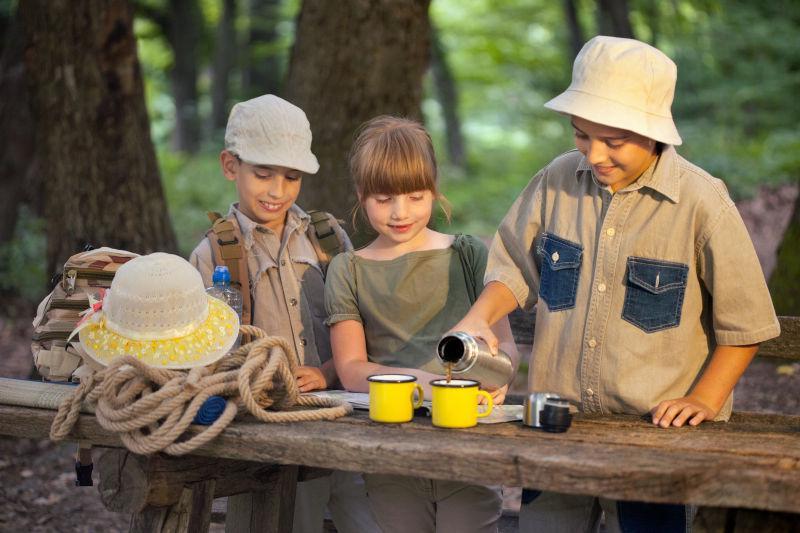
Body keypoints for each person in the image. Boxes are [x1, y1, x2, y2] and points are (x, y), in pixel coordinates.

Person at [452, 35, 781, 533]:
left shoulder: (702, 203)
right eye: (582, 135)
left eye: (614, 141)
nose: (594, 155)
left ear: (654, 133)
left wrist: (706, 400)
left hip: (650, 439)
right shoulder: (555, 180)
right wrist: (480, 316)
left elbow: (748, 322)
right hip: (555, 424)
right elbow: (514, 267)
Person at [189, 94, 378, 533]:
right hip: (268, 428)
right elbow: (206, 352)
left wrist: (330, 370)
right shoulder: (213, 253)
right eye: (263, 173)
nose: (277, 190)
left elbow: (363, 320)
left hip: (343, 413)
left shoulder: (326, 239)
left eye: (291, 177)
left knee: (369, 516)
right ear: (230, 166)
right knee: (291, 517)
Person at [324, 115, 518, 533]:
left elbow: (503, 344)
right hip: (392, 448)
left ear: (433, 189)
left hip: (468, 444)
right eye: (383, 198)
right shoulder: (348, 270)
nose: (400, 213)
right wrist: (419, 382)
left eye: (415, 196)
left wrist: (501, 374)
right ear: (360, 195)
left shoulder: (466, 255)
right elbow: (352, 368)